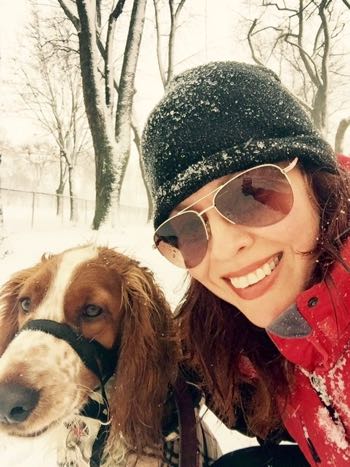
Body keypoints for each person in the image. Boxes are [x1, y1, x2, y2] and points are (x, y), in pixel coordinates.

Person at [140, 61, 350, 466]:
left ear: (315, 177)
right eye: (187, 230)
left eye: (252, 192)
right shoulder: (252, 325)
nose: (223, 248)